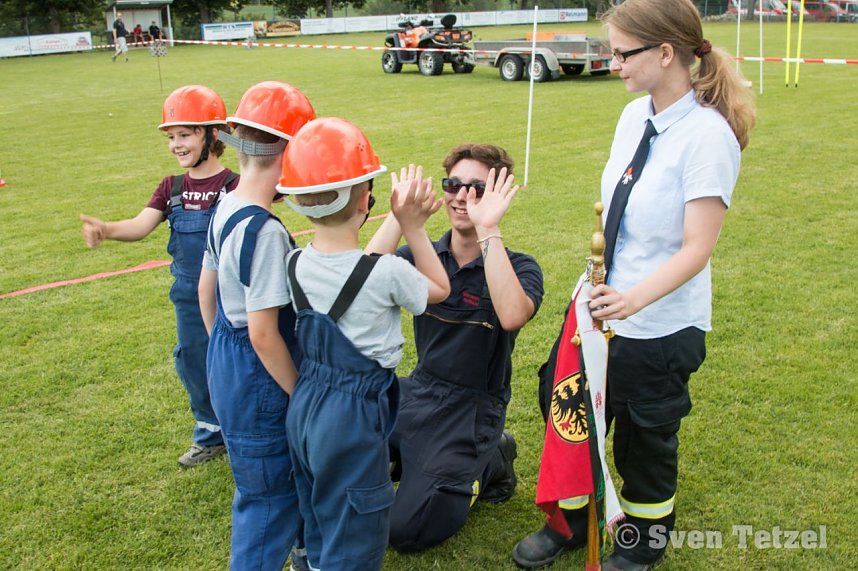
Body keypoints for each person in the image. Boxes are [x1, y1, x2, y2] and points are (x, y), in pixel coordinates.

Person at [511, 1, 756, 569]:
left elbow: (697, 247)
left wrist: (632, 300)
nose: (612, 62)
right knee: (569, 406)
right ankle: (572, 520)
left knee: (643, 438)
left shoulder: (707, 136)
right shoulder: (632, 117)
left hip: (658, 322)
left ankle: (643, 538)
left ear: (665, 53)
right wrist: (599, 295)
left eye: (623, 53)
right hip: (598, 308)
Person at [276, 117, 450, 571]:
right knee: (355, 525)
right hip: (352, 415)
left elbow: (359, 265)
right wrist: (413, 226)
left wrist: (394, 215)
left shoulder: (295, 262)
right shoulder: (387, 274)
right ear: (364, 199)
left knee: (317, 506)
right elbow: (438, 287)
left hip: (307, 403)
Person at [367, 144, 545, 552]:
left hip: (473, 409)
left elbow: (513, 314)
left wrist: (488, 229)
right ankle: (417, 464)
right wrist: (401, 217)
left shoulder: (519, 265)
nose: (463, 196)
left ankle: (494, 460)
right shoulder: (422, 255)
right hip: (419, 390)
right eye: (454, 184)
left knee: (406, 532)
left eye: (478, 188)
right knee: (347, 434)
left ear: (499, 195)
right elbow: (366, 277)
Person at [80, 85, 238, 468]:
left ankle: (245, 433)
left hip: (230, 297)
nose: (176, 144)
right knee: (194, 363)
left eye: (185, 134)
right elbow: (140, 225)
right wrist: (107, 228)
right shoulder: (172, 187)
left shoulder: (234, 184)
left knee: (234, 366)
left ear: (212, 134)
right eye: (171, 137)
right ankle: (209, 435)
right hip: (187, 297)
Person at [198, 81, 316, 571]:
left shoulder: (225, 203)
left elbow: (206, 293)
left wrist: (225, 361)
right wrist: (298, 394)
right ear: (289, 151)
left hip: (228, 364)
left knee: (258, 484)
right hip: (260, 376)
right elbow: (264, 333)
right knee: (268, 499)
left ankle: (303, 551)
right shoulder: (265, 231)